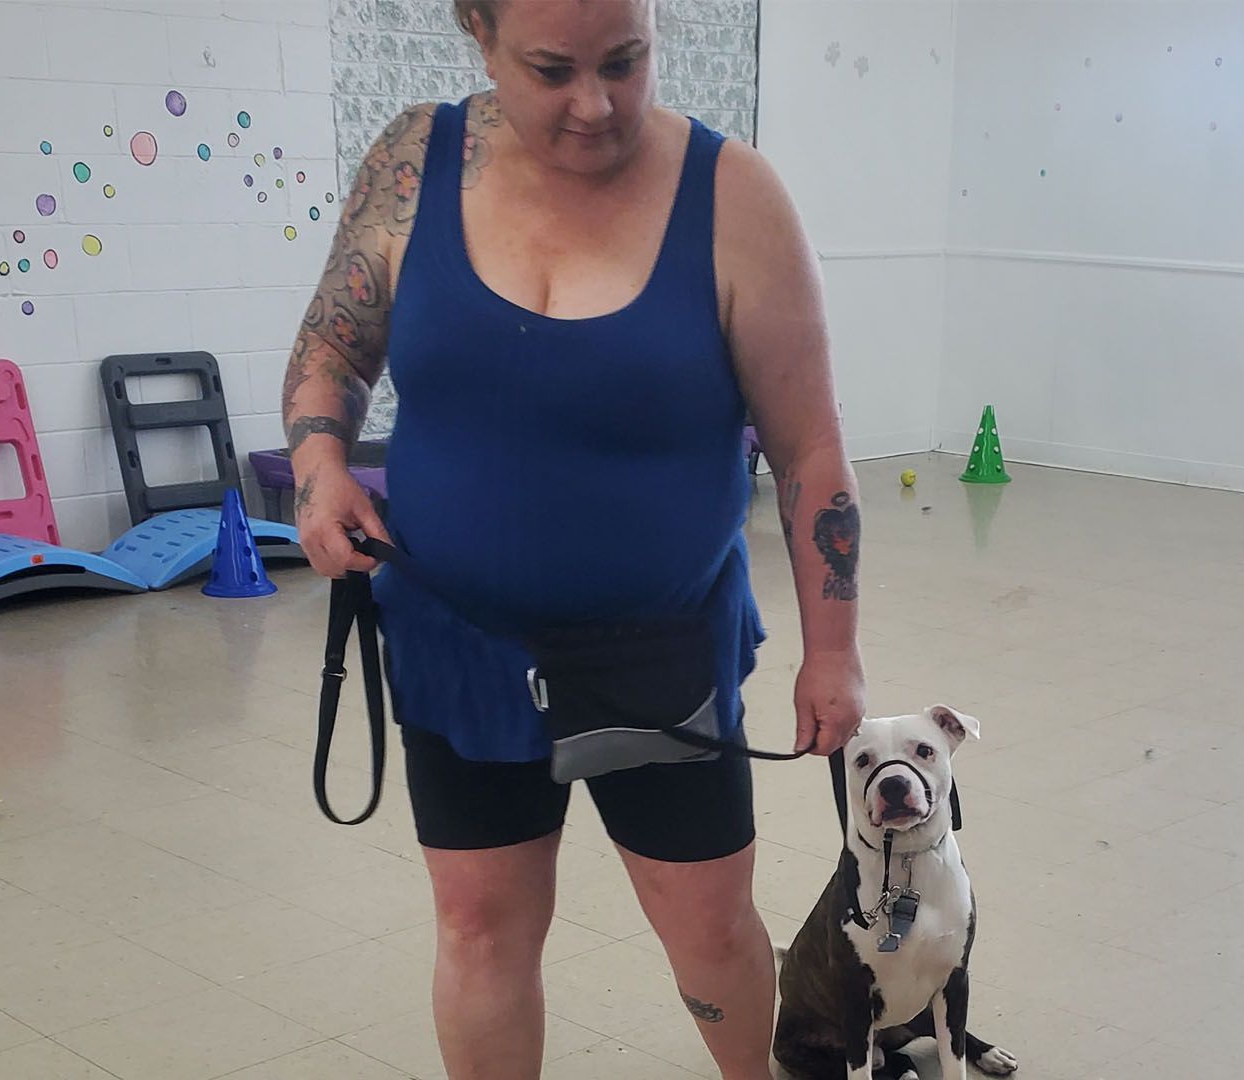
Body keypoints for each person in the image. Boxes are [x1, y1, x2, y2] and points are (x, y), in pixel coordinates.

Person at [278, 2, 864, 1077]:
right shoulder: (417, 161)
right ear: (479, 35)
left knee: (708, 928)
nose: (594, 105)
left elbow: (812, 455)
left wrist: (834, 653)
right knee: (478, 929)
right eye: (551, 70)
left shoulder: (734, 197)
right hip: (460, 642)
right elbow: (332, 346)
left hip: (658, 651)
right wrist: (320, 470)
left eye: (625, 62)